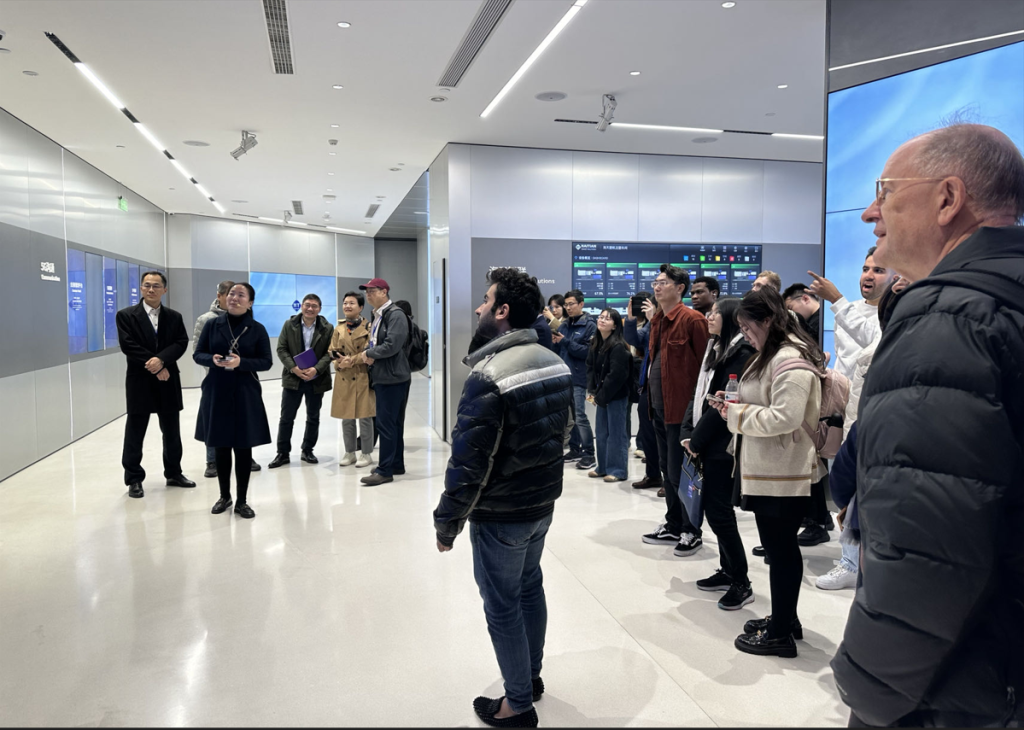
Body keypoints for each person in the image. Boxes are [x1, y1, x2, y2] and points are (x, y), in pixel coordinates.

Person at [831, 122, 1024, 728]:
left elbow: (926, 545)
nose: (871, 214)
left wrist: (870, 687)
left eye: (885, 192)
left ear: (947, 198)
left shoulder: (950, 318)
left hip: (955, 686)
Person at [433, 267, 573, 729]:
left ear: (502, 310)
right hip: (542, 505)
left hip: (502, 514)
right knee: (530, 587)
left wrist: (447, 522)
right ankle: (529, 678)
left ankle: (518, 705)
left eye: (486, 299)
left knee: (502, 604)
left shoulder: (488, 375)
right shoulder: (553, 360)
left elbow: (468, 462)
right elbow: (565, 434)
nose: (479, 307)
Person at [710, 287, 824, 657]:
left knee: (782, 551)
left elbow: (786, 417)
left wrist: (736, 414)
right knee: (779, 549)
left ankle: (780, 634)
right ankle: (784, 619)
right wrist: (734, 404)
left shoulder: (790, 358)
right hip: (769, 468)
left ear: (768, 321)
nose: (746, 335)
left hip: (784, 472)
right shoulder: (772, 354)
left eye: (749, 327)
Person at [681, 297, 756, 610]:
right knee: (715, 511)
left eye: (715, 313)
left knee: (719, 513)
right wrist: (688, 432)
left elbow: (723, 404)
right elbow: (700, 395)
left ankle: (741, 581)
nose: (709, 317)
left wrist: (696, 440)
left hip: (723, 443)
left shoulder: (742, 353)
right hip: (707, 440)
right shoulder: (717, 349)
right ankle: (728, 570)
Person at [640, 264, 709, 557]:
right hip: (658, 408)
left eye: (663, 282)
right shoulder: (657, 320)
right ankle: (673, 523)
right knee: (667, 471)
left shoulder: (693, 320)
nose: (657, 287)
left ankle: (691, 530)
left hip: (681, 412)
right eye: (655, 282)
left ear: (680, 288)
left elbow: (706, 368)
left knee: (683, 474)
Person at [193, 283, 273, 518]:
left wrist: (241, 363)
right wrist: (212, 359)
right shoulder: (212, 324)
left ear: (250, 302)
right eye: (231, 294)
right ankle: (224, 496)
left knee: (243, 447)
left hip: (245, 392)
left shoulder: (257, 329)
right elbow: (198, 354)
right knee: (221, 445)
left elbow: (266, 362)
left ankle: (242, 501)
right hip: (217, 390)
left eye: (240, 295)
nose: (234, 298)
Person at [116, 270, 194, 499]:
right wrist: (157, 365)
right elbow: (128, 345)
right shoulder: (126, 315)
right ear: (141, 288)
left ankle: (174, 473)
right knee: (135, 431)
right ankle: (134, 478)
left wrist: (162, 361)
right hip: (140, 379)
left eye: (156, 286)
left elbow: (181, 342)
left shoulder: (174, 316)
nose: (151, 289)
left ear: (164, 290)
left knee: (171, 431)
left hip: (168, 379)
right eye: (147, 285)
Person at [807, 247, 895, 381]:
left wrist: (836, 299)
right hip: (842, 391)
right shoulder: (847, 310)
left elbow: (874, 343)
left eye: (878, 271)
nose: (868, 276)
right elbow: (841, 355)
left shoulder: (897, 313)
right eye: (865, 269)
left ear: (895, 278)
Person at [268, 294, 334, 468]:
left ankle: (308, 450)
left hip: (316, 379)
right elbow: (281, 349)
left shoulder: (327, 328)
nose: (310, 308)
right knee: (286, 417)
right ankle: (282, 453)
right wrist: (294, 368)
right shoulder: (289, 325)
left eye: (314, 306)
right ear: (301, 306)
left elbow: (330, 352)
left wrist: (316, 369)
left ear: (319, 309)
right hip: (293, 377)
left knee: (313, 416)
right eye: (307, 305)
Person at [359, 278, 410, 486]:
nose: (368, 294)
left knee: (386, 424)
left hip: (392, 377)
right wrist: (370, 352)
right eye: (367, 291)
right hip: (387, 375)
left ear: (384, 292)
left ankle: (384, 470)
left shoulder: (395, 314)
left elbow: (391, 345)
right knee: (393, 424)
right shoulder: (379, 314)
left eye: (372, 291)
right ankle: (395, 464)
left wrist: (368, 354)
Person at [624, 290, 664, 493]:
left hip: (666, 387)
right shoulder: (650, 324)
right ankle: (653, 474)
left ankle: (670, 480)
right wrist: (631, 319)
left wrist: (654, 319)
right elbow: (633, 339)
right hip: (647, 386)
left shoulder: (672, 321)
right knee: (648, 435)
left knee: (666, 436)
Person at [585, 308, 632, 482]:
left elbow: (617, 376)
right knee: (601, 432)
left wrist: (601, 396)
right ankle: (603, 467)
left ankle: (618, 470)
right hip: (601, 395)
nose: (602, 320)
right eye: (601, 317)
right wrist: (593, 392)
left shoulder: (618, 346)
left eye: (607, 318)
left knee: (616, 434)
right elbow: (590, 368)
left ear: (614, 326)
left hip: (616, 396)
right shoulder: (596, 343)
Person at [330, 291, 375, 468]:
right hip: (344, 376)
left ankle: (366, 453)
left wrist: (352, 360)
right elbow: (332, 350)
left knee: (365, 417)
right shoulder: (339, 328)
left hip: (363, 375)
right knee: (346, 417)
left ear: (361, 307)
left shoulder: (369, 327)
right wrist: (339, 363)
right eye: (345, 303)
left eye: (352, 303)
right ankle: (349, 452)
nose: (347, 306)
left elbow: (370, 350)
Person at [553, 289, 597, 470]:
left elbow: (587, 353)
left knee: (580, 416)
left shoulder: (590, 326)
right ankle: (574, 449)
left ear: (581, 304)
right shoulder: (563, 325)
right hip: (564, 376)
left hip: (579, 377)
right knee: (569, 416)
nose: (568, 308)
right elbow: (559, 351)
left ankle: (589, 453)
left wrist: (564, 342)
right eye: (566, 305)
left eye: (571, 304)